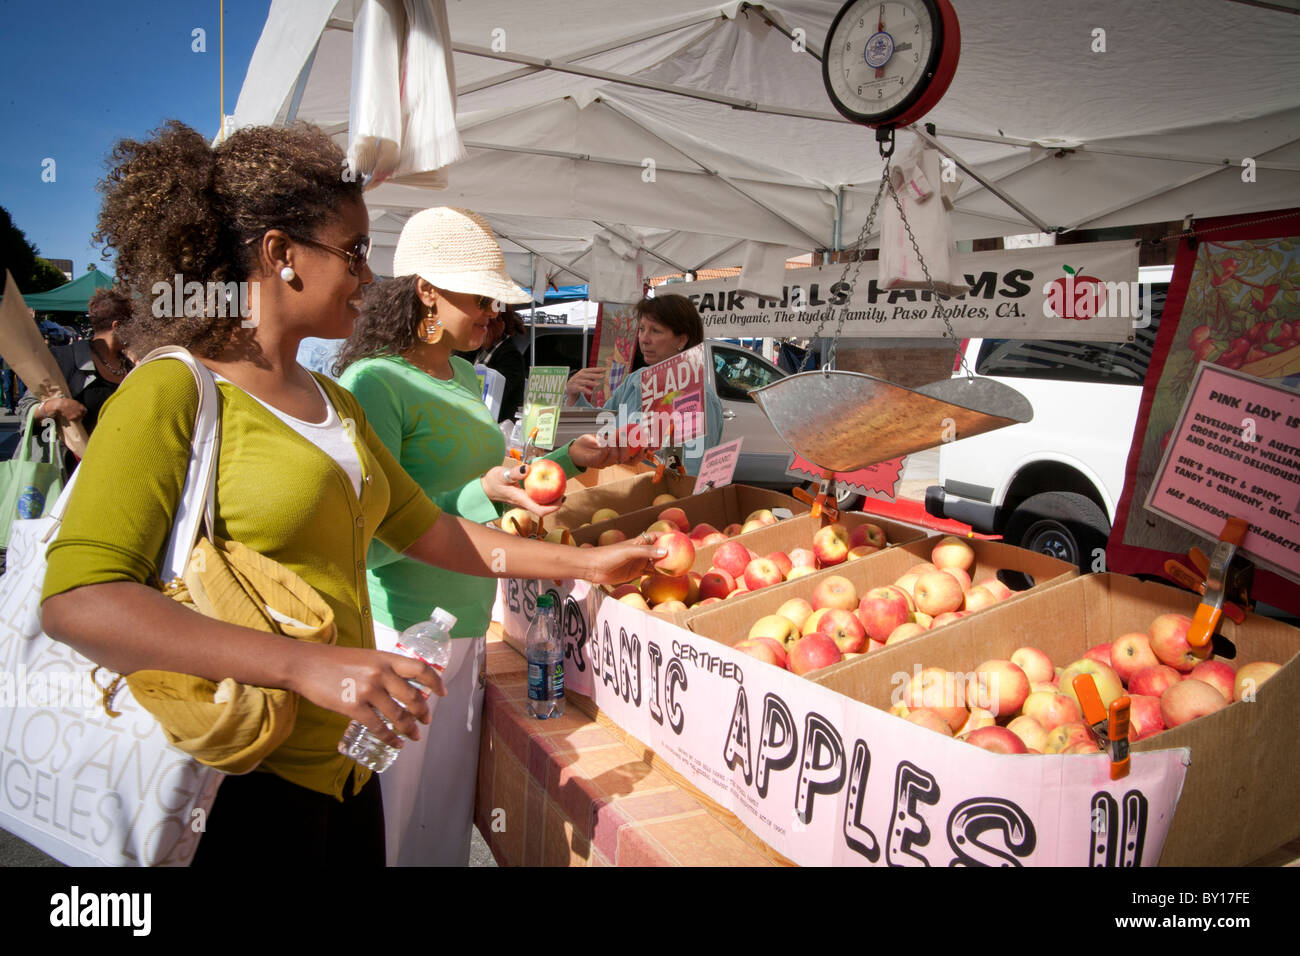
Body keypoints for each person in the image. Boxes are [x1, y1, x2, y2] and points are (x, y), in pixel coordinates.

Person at [38, 121, 659, 867]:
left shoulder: (339, 403)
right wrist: (305, 666)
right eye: (355, 251)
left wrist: (594, 566)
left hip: (347, 767)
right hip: (238, 776)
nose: (370, 275)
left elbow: (433, 531)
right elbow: (77, 599)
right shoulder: (173, 390)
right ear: (280, 254)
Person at [333, 206, 640, 865]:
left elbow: (500, 484)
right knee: (382, 818)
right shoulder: (373, 383)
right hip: (400, 638)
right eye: (479, 299)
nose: (490, 316)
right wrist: (482, 494)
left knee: (439, 823)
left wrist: (570, 459)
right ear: (425, 291)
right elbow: (374, 537)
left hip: (466, 625)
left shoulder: (469, 378)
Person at [564, 293, 724, 473]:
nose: (644, 339)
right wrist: (574, 395)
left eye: (655, 331)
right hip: (620, 489)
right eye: (641, 329)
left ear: (681, 339)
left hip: (662, 498)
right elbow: (602, 427)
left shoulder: (695, 396)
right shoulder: (635, 380)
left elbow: (689, 472)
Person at [17, 286, 134, 472]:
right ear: (117, 326)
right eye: (136, 326)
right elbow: (25, 409)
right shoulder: (63, 358)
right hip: (68, 474)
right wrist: (54, 406)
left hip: (114, 469)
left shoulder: (131, 365)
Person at [465, 306, 526, 422]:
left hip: (500, 424)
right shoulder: (478, 351)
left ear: (501, 325)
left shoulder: (510, 355)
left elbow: (500, 393)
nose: (482, 330)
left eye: (486, 325)